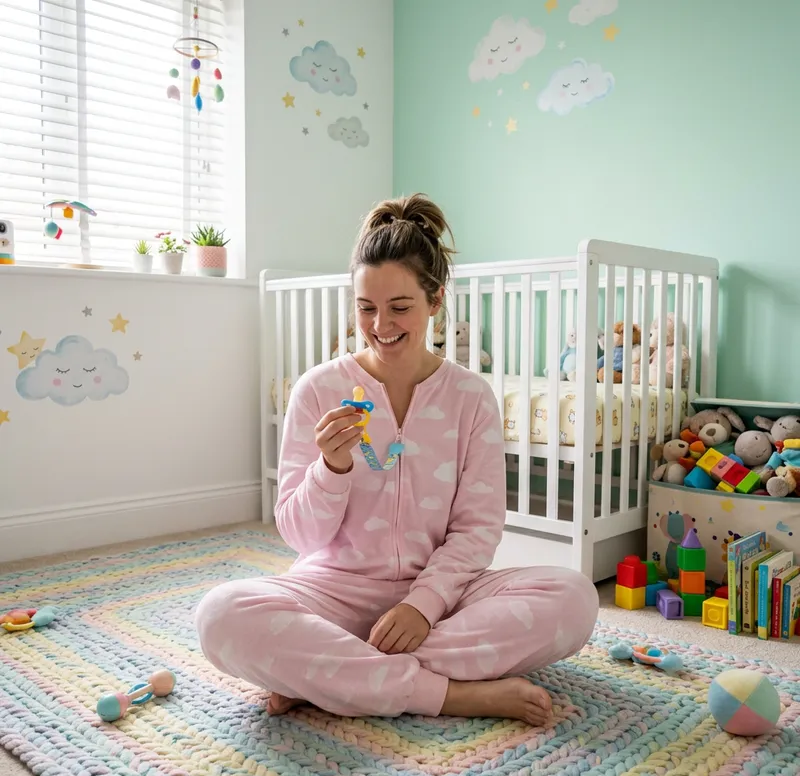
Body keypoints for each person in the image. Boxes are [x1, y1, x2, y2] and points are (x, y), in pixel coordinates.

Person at [195, 193, 599, 725]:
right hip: (334, 589)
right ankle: (446, 693)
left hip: (442, 596)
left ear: (435, 301)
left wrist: (422, 605)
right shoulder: (318, 389)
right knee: (221, 615)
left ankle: (329, 678)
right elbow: (300, 536)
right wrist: (330, 471)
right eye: (366, 307)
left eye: (399, 307)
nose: (380, 324)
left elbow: (477, 529)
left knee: (573, 597)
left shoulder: (470, 396)